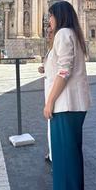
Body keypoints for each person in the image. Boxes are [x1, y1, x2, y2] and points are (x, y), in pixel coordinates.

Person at [44, 0, 91, 190]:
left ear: (60, 16)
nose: (49, 20)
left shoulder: (63, 34)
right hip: (74, 105)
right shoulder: (73, 34)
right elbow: (63, 67)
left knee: (63, 164)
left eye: (51, 16)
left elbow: (64, 71)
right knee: (72, 160)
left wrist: (50, 102)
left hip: (64, 106)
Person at [38, 24, 54, 164]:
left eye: (50, 33)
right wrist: (44, 68)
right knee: (50, 126)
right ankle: (52, 153)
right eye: (47, 32)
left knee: (53, 126)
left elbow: (63, 72)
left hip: (54, 95)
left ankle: (54, 155)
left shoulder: (57, 49)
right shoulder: (51, 49)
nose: (48, 35)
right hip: (50, 92)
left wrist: (50, 102)